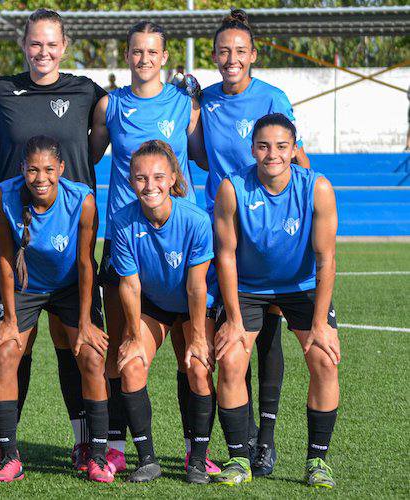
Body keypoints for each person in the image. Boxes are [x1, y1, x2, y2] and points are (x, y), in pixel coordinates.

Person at [0, 8, 107, 473]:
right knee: (15, 344)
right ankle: (6, 444)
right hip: (21, 247)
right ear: (24, 45)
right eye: (35, 43)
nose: (43, 52)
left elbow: (108, 134)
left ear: (65, 46)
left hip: (70, 242)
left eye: (52, 44)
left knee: (74, 345)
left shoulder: (88, 92)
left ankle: (85, 444)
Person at [88, 20, 212, 473]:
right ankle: (120, 447)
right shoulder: (110, 105)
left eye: (152, 52)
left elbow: (200, 156)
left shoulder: (185, 105)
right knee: (125, 347)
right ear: (128, 56)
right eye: (136, 52)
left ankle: (191, 448)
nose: (144, 59)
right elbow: (86, 155)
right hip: (125, 237)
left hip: (179, 237)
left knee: (191, 354)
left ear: (164, 57)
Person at [200, 9, 311, 476]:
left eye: (240, 51)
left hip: (267, 228)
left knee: (268, 332)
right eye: (224, 51)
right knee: (231, 336)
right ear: (214, 55)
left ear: (253, 55)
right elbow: (192, 152)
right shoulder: (202, 101)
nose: (231, 59)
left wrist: (302, 210)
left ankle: (264, 440)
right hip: (224, 228)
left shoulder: (273, 97)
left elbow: (292, 156)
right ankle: (241, 440)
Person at [212, 113, 340, 488]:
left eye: (282, 146)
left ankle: (317, 462)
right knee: (232, 358)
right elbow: (226, 256)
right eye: (264, 146)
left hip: (300, 286)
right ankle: (239, 459)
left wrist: (320, 325)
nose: (273, 154)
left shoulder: (317, 188)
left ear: (294, 148)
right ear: (253, 149)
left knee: (325, 360)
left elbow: (326, 260)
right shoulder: (232, 189)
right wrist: (233, 319)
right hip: (248, 287)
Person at [0, 136, 109, 483]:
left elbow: (87, 263)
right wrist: (9, 320)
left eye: (47, 170)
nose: (40, 178)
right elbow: (4, 258)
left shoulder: (81, 200)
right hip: (26, 286)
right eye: (32, 170)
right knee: (5, 352)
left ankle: (97, 455)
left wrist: (86, 322)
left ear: (61, 169)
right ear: (22, 169)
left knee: (91, 355)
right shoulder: (4, 196)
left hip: (71, 286)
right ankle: (9, 455)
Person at [109, 140, 218, 484]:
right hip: (153, 305)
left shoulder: (196, 221)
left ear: (172, 178)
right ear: (131, 181)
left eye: (158, 176)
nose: (149, 185)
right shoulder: (122, 222)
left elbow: (196, 286)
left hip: (192, 305)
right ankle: (147, 460)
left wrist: (198, 339)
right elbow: (130, 285)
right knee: (131, 364)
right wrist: (131, 336)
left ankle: (197, 460)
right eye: (140, 178)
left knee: (198, 367)